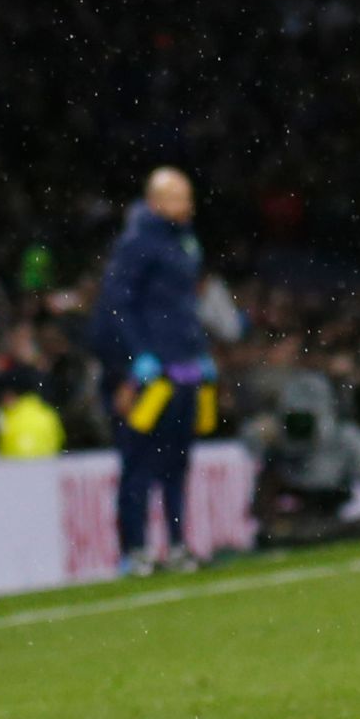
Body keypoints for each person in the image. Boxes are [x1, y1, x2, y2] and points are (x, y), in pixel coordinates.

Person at [91, 167, 214, 575]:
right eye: (180, 198)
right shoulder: (137, 243)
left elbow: (182, 309)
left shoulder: (186, 242)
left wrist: (199, 352)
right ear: (158, 201)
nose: (189, 206)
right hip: (147, 375)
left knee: (177, 462)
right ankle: (137, 550)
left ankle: (177, 545)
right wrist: (137, 356)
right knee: (139, 462)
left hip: (182, 369)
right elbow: (116, 303)